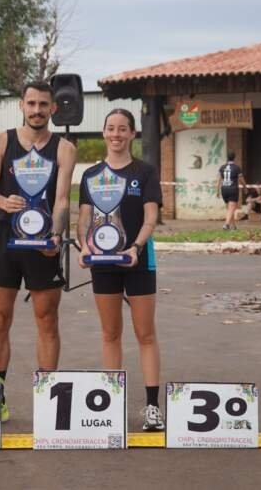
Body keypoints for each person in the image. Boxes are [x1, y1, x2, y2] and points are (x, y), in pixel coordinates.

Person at [0, 81, 77, 423]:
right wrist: (4, 202)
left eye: (43, 105)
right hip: (5, 234)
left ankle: (48, 400)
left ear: (53, 109)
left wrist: (56, 235)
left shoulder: (64, 148)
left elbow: (63, 200)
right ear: (22, 105)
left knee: (47, 319)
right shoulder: (1, 140)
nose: (37, 110)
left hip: (43, 241)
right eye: (31, 103)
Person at [77, 108, 165, 432]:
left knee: (145, 333)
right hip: (103, 264)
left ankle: (153, 408)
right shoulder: (91, 175)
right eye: (111, 128)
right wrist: (85, 245)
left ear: (132, 134)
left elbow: (151, 217)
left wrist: (136, 248)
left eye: (123, 129)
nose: (116, 134)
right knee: (110, 333)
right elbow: (84, 218)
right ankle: (112, 406)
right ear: (103, 133)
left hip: (138, 260)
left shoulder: (145, 172)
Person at [215, 151, 246, 230]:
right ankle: (226, 224)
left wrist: (217, 191)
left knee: (229, 209)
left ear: (227, 157)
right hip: (232, 189)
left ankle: (233, 226)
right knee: (231, 208)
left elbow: (218, 180)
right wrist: (245, 187)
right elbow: (241, 179)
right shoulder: (237, 168)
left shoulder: (222, 167)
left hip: (224, 189)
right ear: (234, 158)